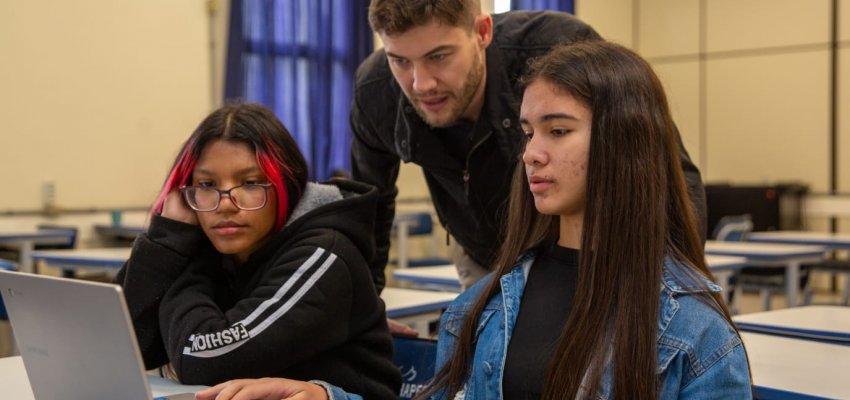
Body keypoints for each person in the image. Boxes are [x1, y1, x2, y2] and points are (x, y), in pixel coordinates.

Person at [423, 41, 752, 399]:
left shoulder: (697, 335)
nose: (531, 154)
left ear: (624, 141)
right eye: (528, 133)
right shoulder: (478, 309)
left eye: (558, 131)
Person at [350, 0, 707, 292]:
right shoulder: (376, 90)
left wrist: (676, 292)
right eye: (399, 60)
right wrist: (366, 311)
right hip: (480, 254)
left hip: (588, 254)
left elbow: (667, 174)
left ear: (482, 32)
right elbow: (368, 206)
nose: (421, 83)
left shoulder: (559, 49)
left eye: (439, 56)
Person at [114, 103, 400, 399]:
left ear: (286, 185)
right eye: (207, 184)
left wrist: (185, 253)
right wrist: (166, 240)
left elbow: (203, 361)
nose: (226, 203)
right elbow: (118, 344)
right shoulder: (222, 248)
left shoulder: (324, 255)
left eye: (250, 183)